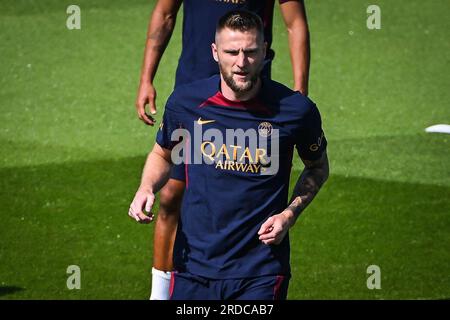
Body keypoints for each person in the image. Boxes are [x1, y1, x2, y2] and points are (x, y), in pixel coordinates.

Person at [129, 10, 328, 300]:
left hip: (260, 271)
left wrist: (290, 214)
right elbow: (162, 155)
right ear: (214, 52)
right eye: (232, 51)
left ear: (265, 52)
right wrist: (146, 187)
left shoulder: (295, 111)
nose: (241, 62)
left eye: (250, 52)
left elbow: (317, 168)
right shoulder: (186, 103)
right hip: (192, 267)